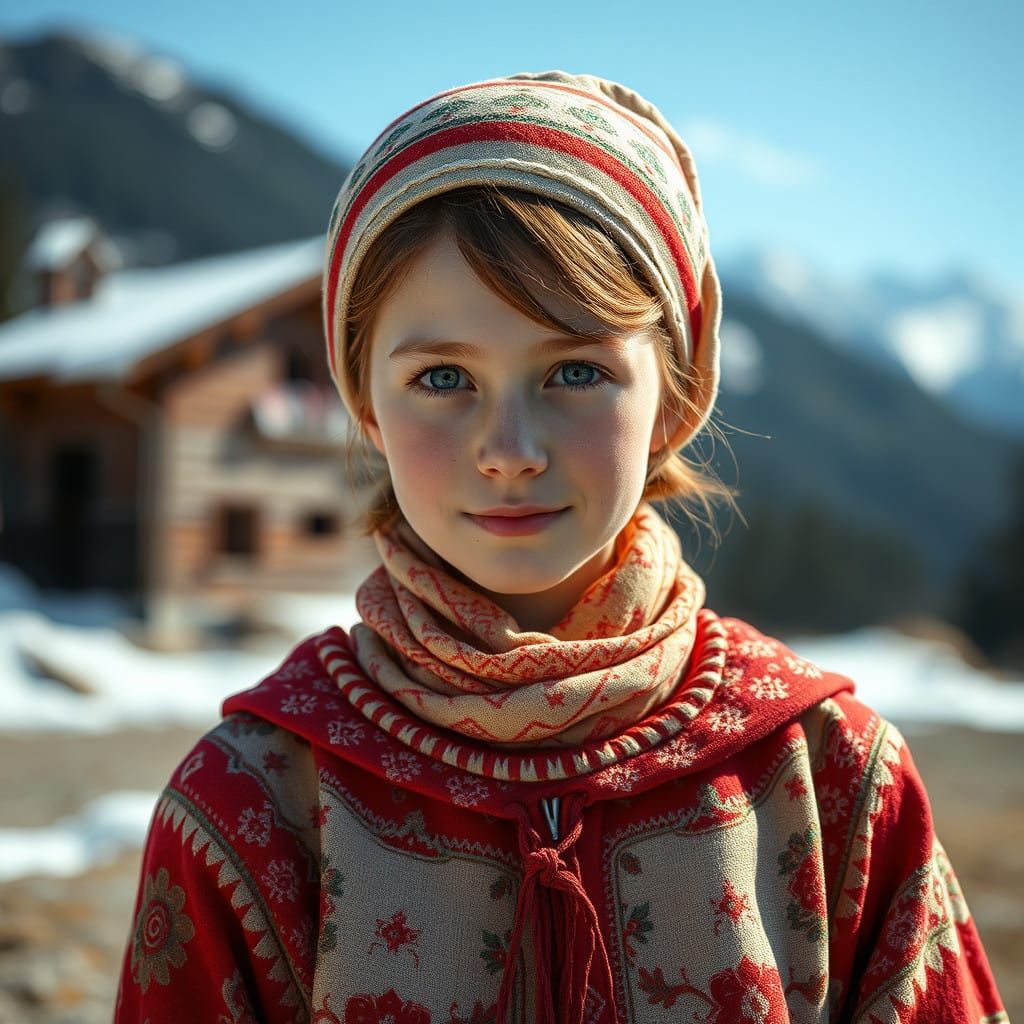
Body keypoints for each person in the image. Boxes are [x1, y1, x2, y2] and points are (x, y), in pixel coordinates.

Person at [114, 71, 1008, 1024]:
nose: (510, 452)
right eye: (444, 376)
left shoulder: (830, 777)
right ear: (364, 402)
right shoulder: (253, 803)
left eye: (576, 369)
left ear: (675, 392)